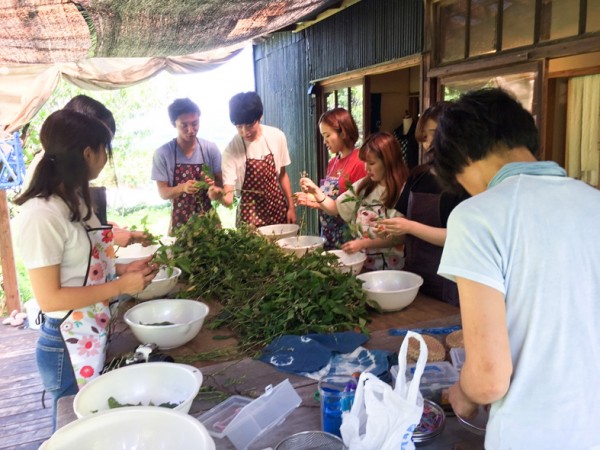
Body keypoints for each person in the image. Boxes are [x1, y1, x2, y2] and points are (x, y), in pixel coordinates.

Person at [433, 88, 600, 449]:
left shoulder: (477, 217)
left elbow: (489, 378)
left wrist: (463, 392)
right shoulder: (594, 202)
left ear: (464, 156)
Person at [13, 109, 158, 430]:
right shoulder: (42, 214)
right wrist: (121, 287)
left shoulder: (77, 200)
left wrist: (122, 270)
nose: (106, 157)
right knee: (71, 431)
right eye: (105, 149)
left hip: (92, 329)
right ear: (88, 153)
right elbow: (50, 298)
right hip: (65, 344)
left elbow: (86, 266)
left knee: (91, 427)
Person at [22, 95, 151, 247]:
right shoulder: (43, 199)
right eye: (102, 144)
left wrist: (103, 227)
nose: (104, 155)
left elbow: (75, 225)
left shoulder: (69, 176)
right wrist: (112, 237)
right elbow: (59, 236)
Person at [375, 102, 468, 306]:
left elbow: (457, 238)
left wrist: (409, 226)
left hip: (448, 282)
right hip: (413, 276)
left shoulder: (466, 181)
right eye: (424, 133)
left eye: (432, 132)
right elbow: (403, 221)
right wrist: (390, 229)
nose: (426, 140)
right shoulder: (418, 175)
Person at [298, 132, 408, 271]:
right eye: (366, 163)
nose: (366, 168)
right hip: (363, 264)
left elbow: (399, 238)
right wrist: (316, 192)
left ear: (388, 161)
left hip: (392, 268)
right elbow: (334, 208)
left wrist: (363, 243)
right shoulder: (363, 186)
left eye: (372, 163)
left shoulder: (404, 190)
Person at [208, 92, 296, 227]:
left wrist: (291, 207)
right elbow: (228, 198)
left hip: (278, 209)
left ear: (259, 117)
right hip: (249, 217)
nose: (245, 132)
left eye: (249, 125)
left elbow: (282, 175)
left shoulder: (277, 136)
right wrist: (219, 195)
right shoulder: (231, 151)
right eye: (239, 127)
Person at [293, 108, 366, 249]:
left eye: (327, 135)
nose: (324, 141)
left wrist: (316, 192)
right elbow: (329, 200)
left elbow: (354, 207)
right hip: (328, 234)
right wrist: (311, 198)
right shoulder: (333, 163)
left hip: (349, 236)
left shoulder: (360, 162)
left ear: (343, 132)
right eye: (322, 136)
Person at [151, 98, 223, 233]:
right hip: (180, 224)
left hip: (209, 222)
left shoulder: (210, 149)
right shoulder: (163, 153)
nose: (191, 130)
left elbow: (221, 185)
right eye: (184, 125)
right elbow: (163, 192)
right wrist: (182, 187)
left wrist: (213, 186)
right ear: (174, 124)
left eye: (195, 123)